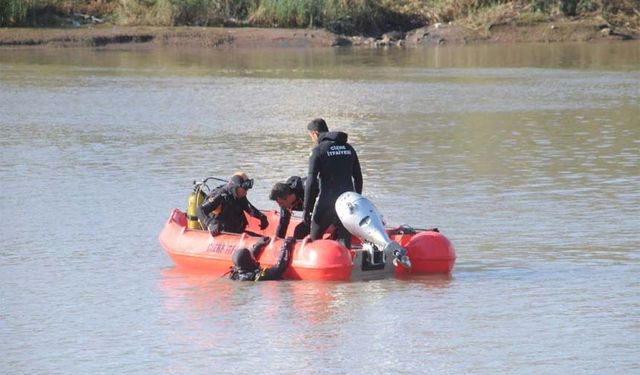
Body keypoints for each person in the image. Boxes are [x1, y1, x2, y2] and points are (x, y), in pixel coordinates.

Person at [302, 118, 363, 249]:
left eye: (310, 136)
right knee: (344, 244)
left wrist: (307, 208)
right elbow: (358, 177)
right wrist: (357, 200)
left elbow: (311, 182)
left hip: (326, 203)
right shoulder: (349, 148)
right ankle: (345, 266)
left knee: (314, 242)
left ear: (315, 133)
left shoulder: (318, 151)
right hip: (347, 203)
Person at [197, 172, 269, 236]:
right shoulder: (220, 195)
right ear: (236, 187)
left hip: (236, 233)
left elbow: (248, 207)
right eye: (245, 190)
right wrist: (210, 223)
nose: (246, 193)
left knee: (264, 240)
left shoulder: (239, 195)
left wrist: (261, 217)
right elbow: (200, 210)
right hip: (222, 234)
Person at [229, 236, 295, 281]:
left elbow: (246, 260)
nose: (254, 258)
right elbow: (279, 268)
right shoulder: (258, 276)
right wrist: (286, 245)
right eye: (252, 257)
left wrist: (258, 245)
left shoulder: (235, 274)